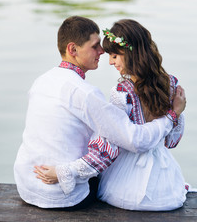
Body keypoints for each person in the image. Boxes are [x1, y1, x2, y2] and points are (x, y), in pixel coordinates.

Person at [14, 16, 186, 210]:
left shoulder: (42, 80)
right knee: (106, 163)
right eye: (95, 46)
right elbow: (133, 140)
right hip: (62, 194)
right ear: (73, 50)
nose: (102, 52)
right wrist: (173, 116)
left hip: (26, 183)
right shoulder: (86, 93)